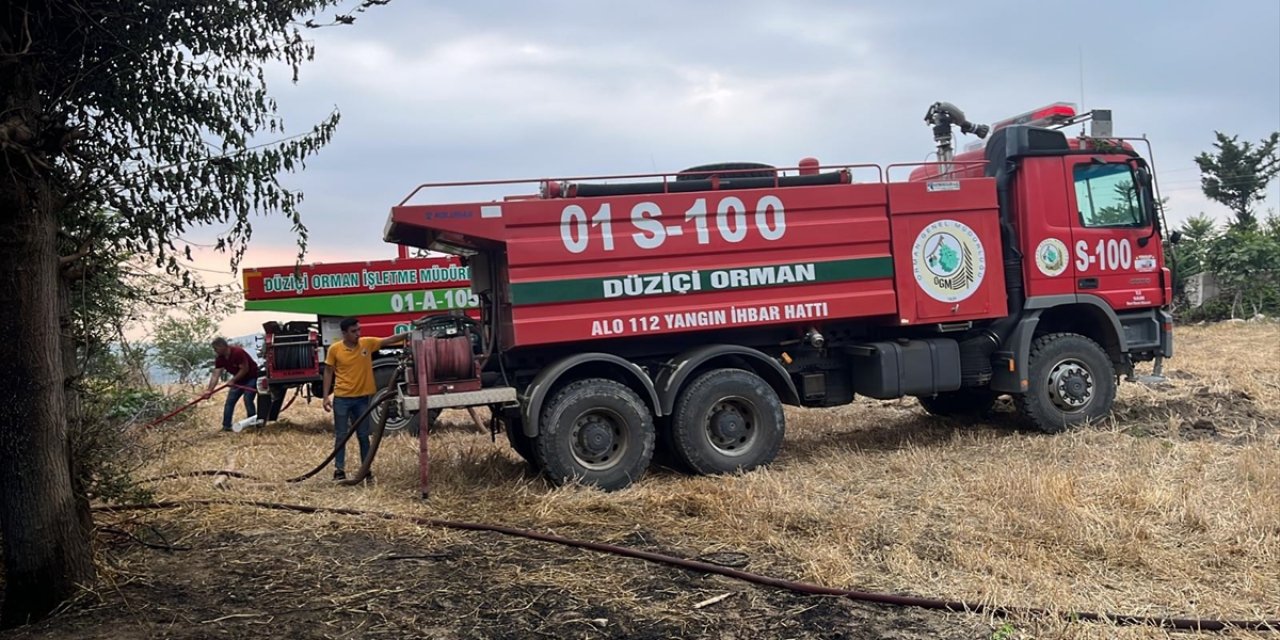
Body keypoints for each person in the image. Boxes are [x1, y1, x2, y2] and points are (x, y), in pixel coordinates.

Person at [323, 317, 408, 480]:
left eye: (359, 330)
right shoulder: (335, 349)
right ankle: (339, 470)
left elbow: (389, 340)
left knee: (363, 435)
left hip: (362, 400)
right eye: (354, 331)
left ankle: (365, 470)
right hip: (342, 399)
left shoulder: (367, 344)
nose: (358, 334)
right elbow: (328, 371)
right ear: (344, 333)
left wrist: (409, 333)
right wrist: (326, 396)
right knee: (341, 436)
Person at [204, 337, 260, 433]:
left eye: (216, 348)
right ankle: (226, 426)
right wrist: (209, 390)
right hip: (239, 380)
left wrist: (233, 380)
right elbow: (215, 375)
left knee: (248, 398)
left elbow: (244, 369)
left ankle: (253, 423)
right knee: (230, 401)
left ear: (222, 346)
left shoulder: (238, 352)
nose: (215, 351)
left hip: (251, 377)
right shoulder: (220, 359)